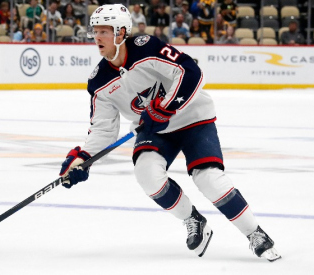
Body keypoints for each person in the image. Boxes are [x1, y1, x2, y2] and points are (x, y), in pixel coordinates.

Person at [59, 3, 281, 262]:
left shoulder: (146, 47)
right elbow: (103, 130)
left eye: (104, 31)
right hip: (154, 128)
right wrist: (81, 159)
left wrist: (164, 108)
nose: (97, 37)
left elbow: (190, 71)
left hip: (192, 117)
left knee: (208, 178)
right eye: (95, 31)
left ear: (121, 33)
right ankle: (193, 219)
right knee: (146, 175)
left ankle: (254, 233)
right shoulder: (98, 82)